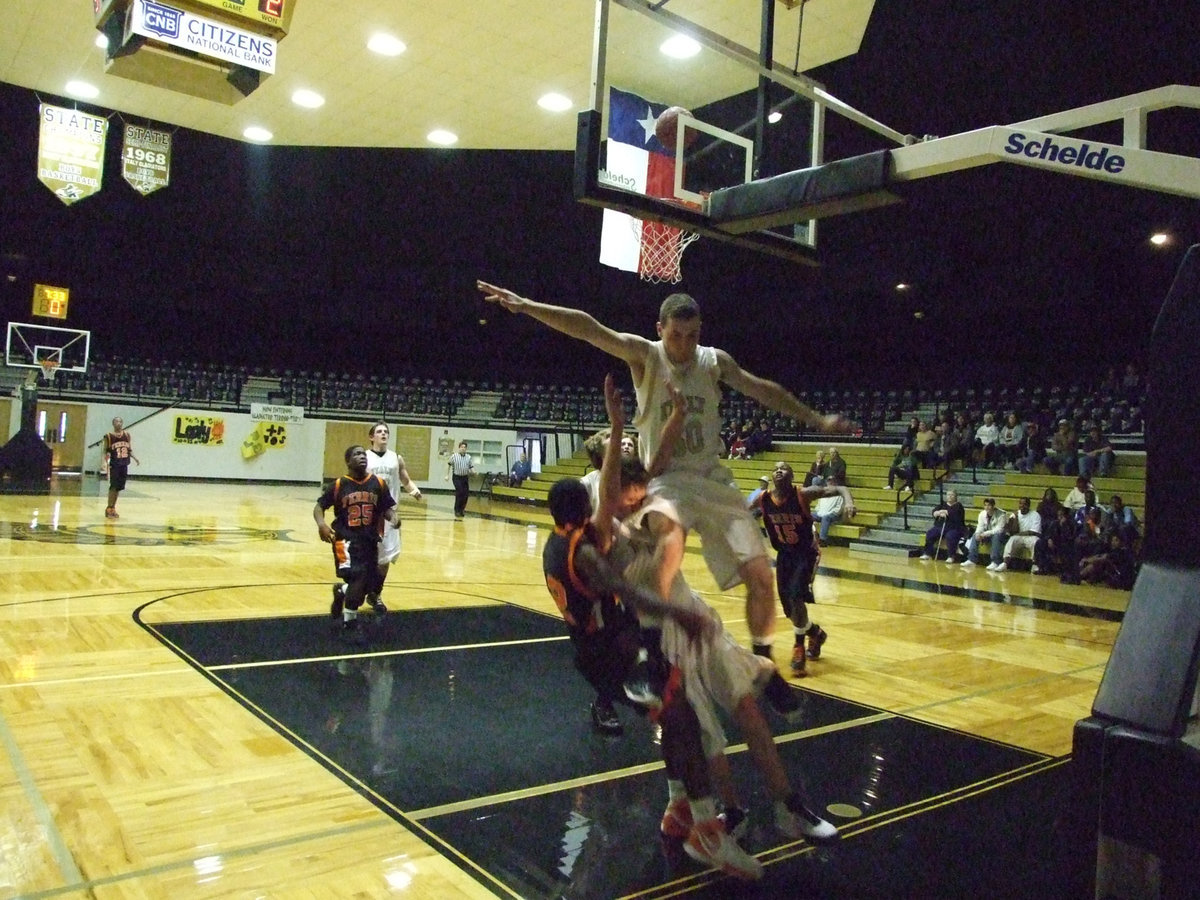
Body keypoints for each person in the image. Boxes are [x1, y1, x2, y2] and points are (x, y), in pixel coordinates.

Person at [477, 281, 852, 662]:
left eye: (692, 335)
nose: (685, 344)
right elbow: (590, 329)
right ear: (660, 329)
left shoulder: (714, 361)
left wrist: (815, 419)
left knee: (760, 576)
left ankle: (763, 662)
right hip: (665, 478)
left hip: (712, 478)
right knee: (664, 544)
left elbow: (761, 389)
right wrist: (527, 306)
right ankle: (653, 649)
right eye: (676, 335)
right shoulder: (646, 356)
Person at [546, 376, 763, 879]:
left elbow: (625, 488)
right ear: (584, 505)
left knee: (673, 715)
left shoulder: (559, 541)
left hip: (603, 650)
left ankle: (677, 806)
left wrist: (624, 424)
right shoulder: (585, 549)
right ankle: (707, 828)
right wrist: (680, 613)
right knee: (684, 719)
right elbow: (626, 589)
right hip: (615, 652)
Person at [757, 461, 855, 676]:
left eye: (784, 468)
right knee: (790, 610)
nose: (779, 470)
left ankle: (798, 646)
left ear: (792, 476)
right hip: (784, 555)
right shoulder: (763, 499)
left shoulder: (802, 494)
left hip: (806, 554)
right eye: (775, 468)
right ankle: (816, 633)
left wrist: (849, 502)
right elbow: (738, 510)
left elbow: (841, 488)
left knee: (795, 597)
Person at [314, 445, 400, 645]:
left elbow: (387, 508)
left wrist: (394, 518)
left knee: (369, 585)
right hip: (345, 540)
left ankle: (342, 591)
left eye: (363, 453)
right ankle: (349, 623)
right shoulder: (339, 485)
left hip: (369, 540)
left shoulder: (378, 483)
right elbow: (319, 507)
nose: (362, 456)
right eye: (357, 454)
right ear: (348, 461)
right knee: (358, 578)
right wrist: (322, 525)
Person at [363, 422, 423, 614]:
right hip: (368, 515)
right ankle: (357, 589)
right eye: (379, 431)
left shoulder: (396, 458)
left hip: (389, 514)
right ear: (371, 437)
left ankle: (376, 594)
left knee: (386, 558)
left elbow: (405, 479)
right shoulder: (364, 457)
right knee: (367, 557)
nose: (383, 434)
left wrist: (414, 490)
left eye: (386, 432)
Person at [100, 416, 139, 518]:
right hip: (114, 465)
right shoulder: (108, 436)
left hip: (124, 464)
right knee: (113, 487)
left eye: (120, 421)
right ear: (113, 424)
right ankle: (109, 508)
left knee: (118, 488)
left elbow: (129, 449)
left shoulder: (127, 435)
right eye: (116, 421)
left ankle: (113, 508)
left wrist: (135, 458)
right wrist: (104, 462)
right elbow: (105, 451)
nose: (119, 423)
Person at [993, 496, 1041, 572]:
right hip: (1018, 537)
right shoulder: (1015, 514)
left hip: (1031, 537)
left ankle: (1035, 565)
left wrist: (1018, 534)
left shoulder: (1035, 515)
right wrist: (1015, 518)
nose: (1022, 506)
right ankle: (1005, 564)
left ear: (1028, 505)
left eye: (1025, 504)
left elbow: (1034, 531)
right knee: (1011, 540)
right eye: (1020, 503)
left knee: (1036, 542)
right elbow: (1011, 531)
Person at [960, 498, 1008, 569]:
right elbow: (980, 526)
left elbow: (999, 530)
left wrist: (984, 534)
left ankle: (995, 562)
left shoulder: (1001, 514)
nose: (987, 507)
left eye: (989, 505)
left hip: (1000, 536)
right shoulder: (982, 514)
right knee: (975, 535)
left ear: (993, 506)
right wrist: (978, 533)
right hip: (987, 535)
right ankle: (971, 559)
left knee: (996, 536)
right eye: (985, 505)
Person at [920, 490, 966, 561]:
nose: (950, 496)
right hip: (940, 527)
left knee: (950, 536)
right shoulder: (943, 504)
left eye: (952, 495)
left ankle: (951, 556)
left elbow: (954, 514)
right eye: (948, 495)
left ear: (955, 496)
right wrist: (938, 513)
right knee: (930, 533)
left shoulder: (959, 506)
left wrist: (945, 512)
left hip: (954, 528)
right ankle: (927, 553)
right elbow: (934, 511)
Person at [811, 474, 849, 544]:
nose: (830, 483)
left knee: (826, 518)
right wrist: (818, 512)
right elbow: (818, 506)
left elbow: (839, 510)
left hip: (833, 515)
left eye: (832, 481)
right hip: (821, 514)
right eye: (829, 481)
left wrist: (828, 514)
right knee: (808, 515)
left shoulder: (839, 494)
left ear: (835, 483)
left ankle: (823, 540)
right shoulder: (823, 493)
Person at [445, 440, 475, 517]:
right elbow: (448, 465)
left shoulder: (468, 457)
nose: (463, 448)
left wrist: (474, 472)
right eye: (461, 447)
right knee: (460, 492)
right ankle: (457, 510)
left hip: (465, 477)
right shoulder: (454, 456)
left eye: (464, 447)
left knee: (465, 494)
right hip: (457, 477)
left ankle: (462, 509)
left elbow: (471, 467)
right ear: (459, 448)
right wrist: (447, 475)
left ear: (466, 449)